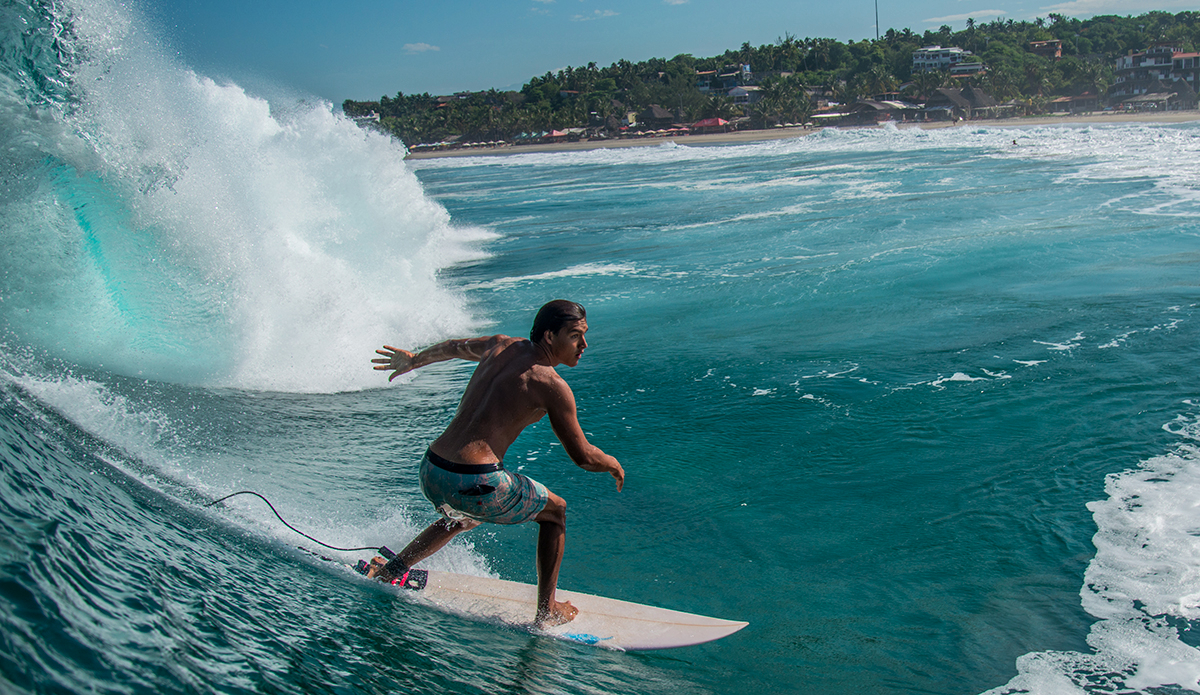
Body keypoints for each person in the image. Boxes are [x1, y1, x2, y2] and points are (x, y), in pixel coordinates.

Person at [368, 299, 624, 627]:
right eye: (575, 336)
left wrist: (415, 359)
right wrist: (612, 463)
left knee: (463, 515)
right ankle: (547, 611)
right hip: (474, 480)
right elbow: (583, 456)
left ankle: (393, 570)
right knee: (555, 512)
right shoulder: (551, 385)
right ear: (549, 336)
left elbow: (454, 347)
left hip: (431, 469)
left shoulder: (500, 345)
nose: (584, 344)